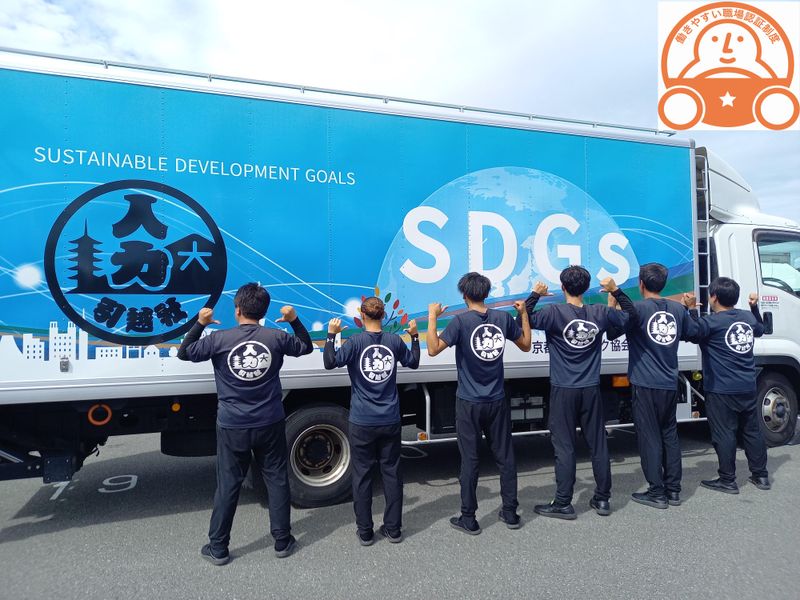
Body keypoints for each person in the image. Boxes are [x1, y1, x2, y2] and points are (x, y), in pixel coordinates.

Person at [177, 283, 313, 565]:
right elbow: (306, 346)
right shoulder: (276, 337)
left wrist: (200, 323)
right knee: (276, 480)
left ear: (237, 309)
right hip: (270, 421)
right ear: (263, 312)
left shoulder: (220, 339)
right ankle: (282, 540)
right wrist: (294, 319)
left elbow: (184, 352)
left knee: (229, 484)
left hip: (233, 424)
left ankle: (218, 547)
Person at [427, 272, 531, 534]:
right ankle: (510, 513)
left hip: (469, 401)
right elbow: (526, 344)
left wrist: (432, 316)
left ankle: (469, 518)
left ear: (464, 295)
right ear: (486, 293)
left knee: (470, 460)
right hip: (496, 399)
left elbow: (433, 349)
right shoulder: (502, 319)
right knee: (505, 458)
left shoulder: (460, 322)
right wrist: (524, 314)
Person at [522, 266, 628, 520]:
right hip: (590, 388)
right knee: (598, 444)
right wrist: (616, 293)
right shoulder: (600, 312)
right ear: (587, 287)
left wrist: (535, 295)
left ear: (562, 287)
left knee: (565, 447)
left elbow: (523, 320)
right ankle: (602, 498)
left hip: (563, 388)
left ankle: (563, 503)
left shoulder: (553, 312)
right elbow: (630, 317)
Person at [600, 263, 699, 509]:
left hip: (645, 383)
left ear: (641, 284)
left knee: (650, 437)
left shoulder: (638, 309)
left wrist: (611, 303)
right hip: (670, 382)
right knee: (670, 434)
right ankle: (673, 490)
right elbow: (692, 333)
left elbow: (611, 333)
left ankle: (656, 492)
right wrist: (690, 309)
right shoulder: (677, 309)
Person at [323, 297, 420, 546]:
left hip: (362, 420)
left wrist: (332, 335)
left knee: (362, 475)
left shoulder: (355, 342)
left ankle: (365, 531)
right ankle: (394, 529)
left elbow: (330, 362)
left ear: (361, 315)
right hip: (390, 418)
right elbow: (413, 362)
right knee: (392, 473)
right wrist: (415, 336)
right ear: (383, 315)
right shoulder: (394, 341)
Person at [682, 277, 769, 493]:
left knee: (724, 433)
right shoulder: (747, 317)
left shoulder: (712, 323)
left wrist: (691, 309)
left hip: (721, 388)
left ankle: (728, 480)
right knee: (752, 431)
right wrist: (754, 307)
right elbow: (761, 329)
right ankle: (761, 475)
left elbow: (691, 333)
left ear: (713, 297)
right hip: (748, 385)